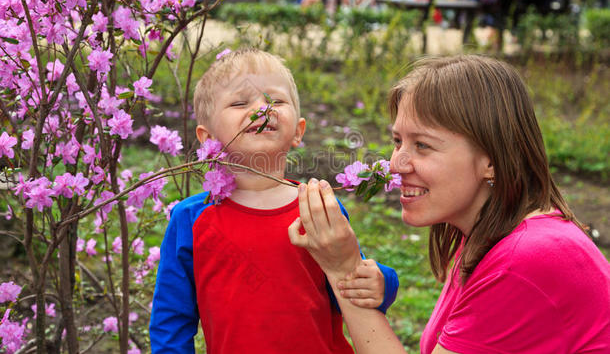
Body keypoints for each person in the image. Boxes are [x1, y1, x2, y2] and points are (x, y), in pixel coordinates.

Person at [289, 55, 610, 353]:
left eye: (423, 145)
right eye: (398, 141)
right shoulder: (485, 236)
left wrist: (342, 268)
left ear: (491, 161)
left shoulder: (524, 261)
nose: (396, 164)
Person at [149, 48, 399, 353]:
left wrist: (382, 283)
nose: (262, 109)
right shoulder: (192, 219)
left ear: (298, 131)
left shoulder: (317, 207)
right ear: (207, 138)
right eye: (240, 102)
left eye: (276, 101)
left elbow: (348, 280)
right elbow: (171, 322)